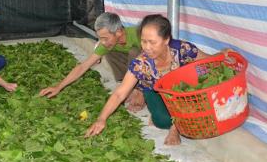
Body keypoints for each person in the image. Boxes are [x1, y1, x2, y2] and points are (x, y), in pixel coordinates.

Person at [85, 14, 214, 145]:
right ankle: (157, 109)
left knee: (197, 107)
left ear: (166, 40)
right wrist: (101, 119)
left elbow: (209, 60)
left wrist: (224, 54)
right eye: (143, 41)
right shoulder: (141, 63)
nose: (146, 47)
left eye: (152, 42)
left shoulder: (183, 49)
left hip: (180, 93)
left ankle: (176, 126)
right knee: (162, 121)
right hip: (154, 90)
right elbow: (119, 94)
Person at [40, 12, 144, 111]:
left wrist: (141, 90)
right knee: (108, 51)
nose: (103, 42)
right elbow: (83, 66)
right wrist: (58, 87)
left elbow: (156, 63)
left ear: (119, 32)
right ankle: (126, 85)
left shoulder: (138, 35)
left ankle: (137, 89)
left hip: (149, 67)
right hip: (131, 66)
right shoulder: (107, 43)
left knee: (136, 53)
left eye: (105, 38)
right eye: (100, 38)